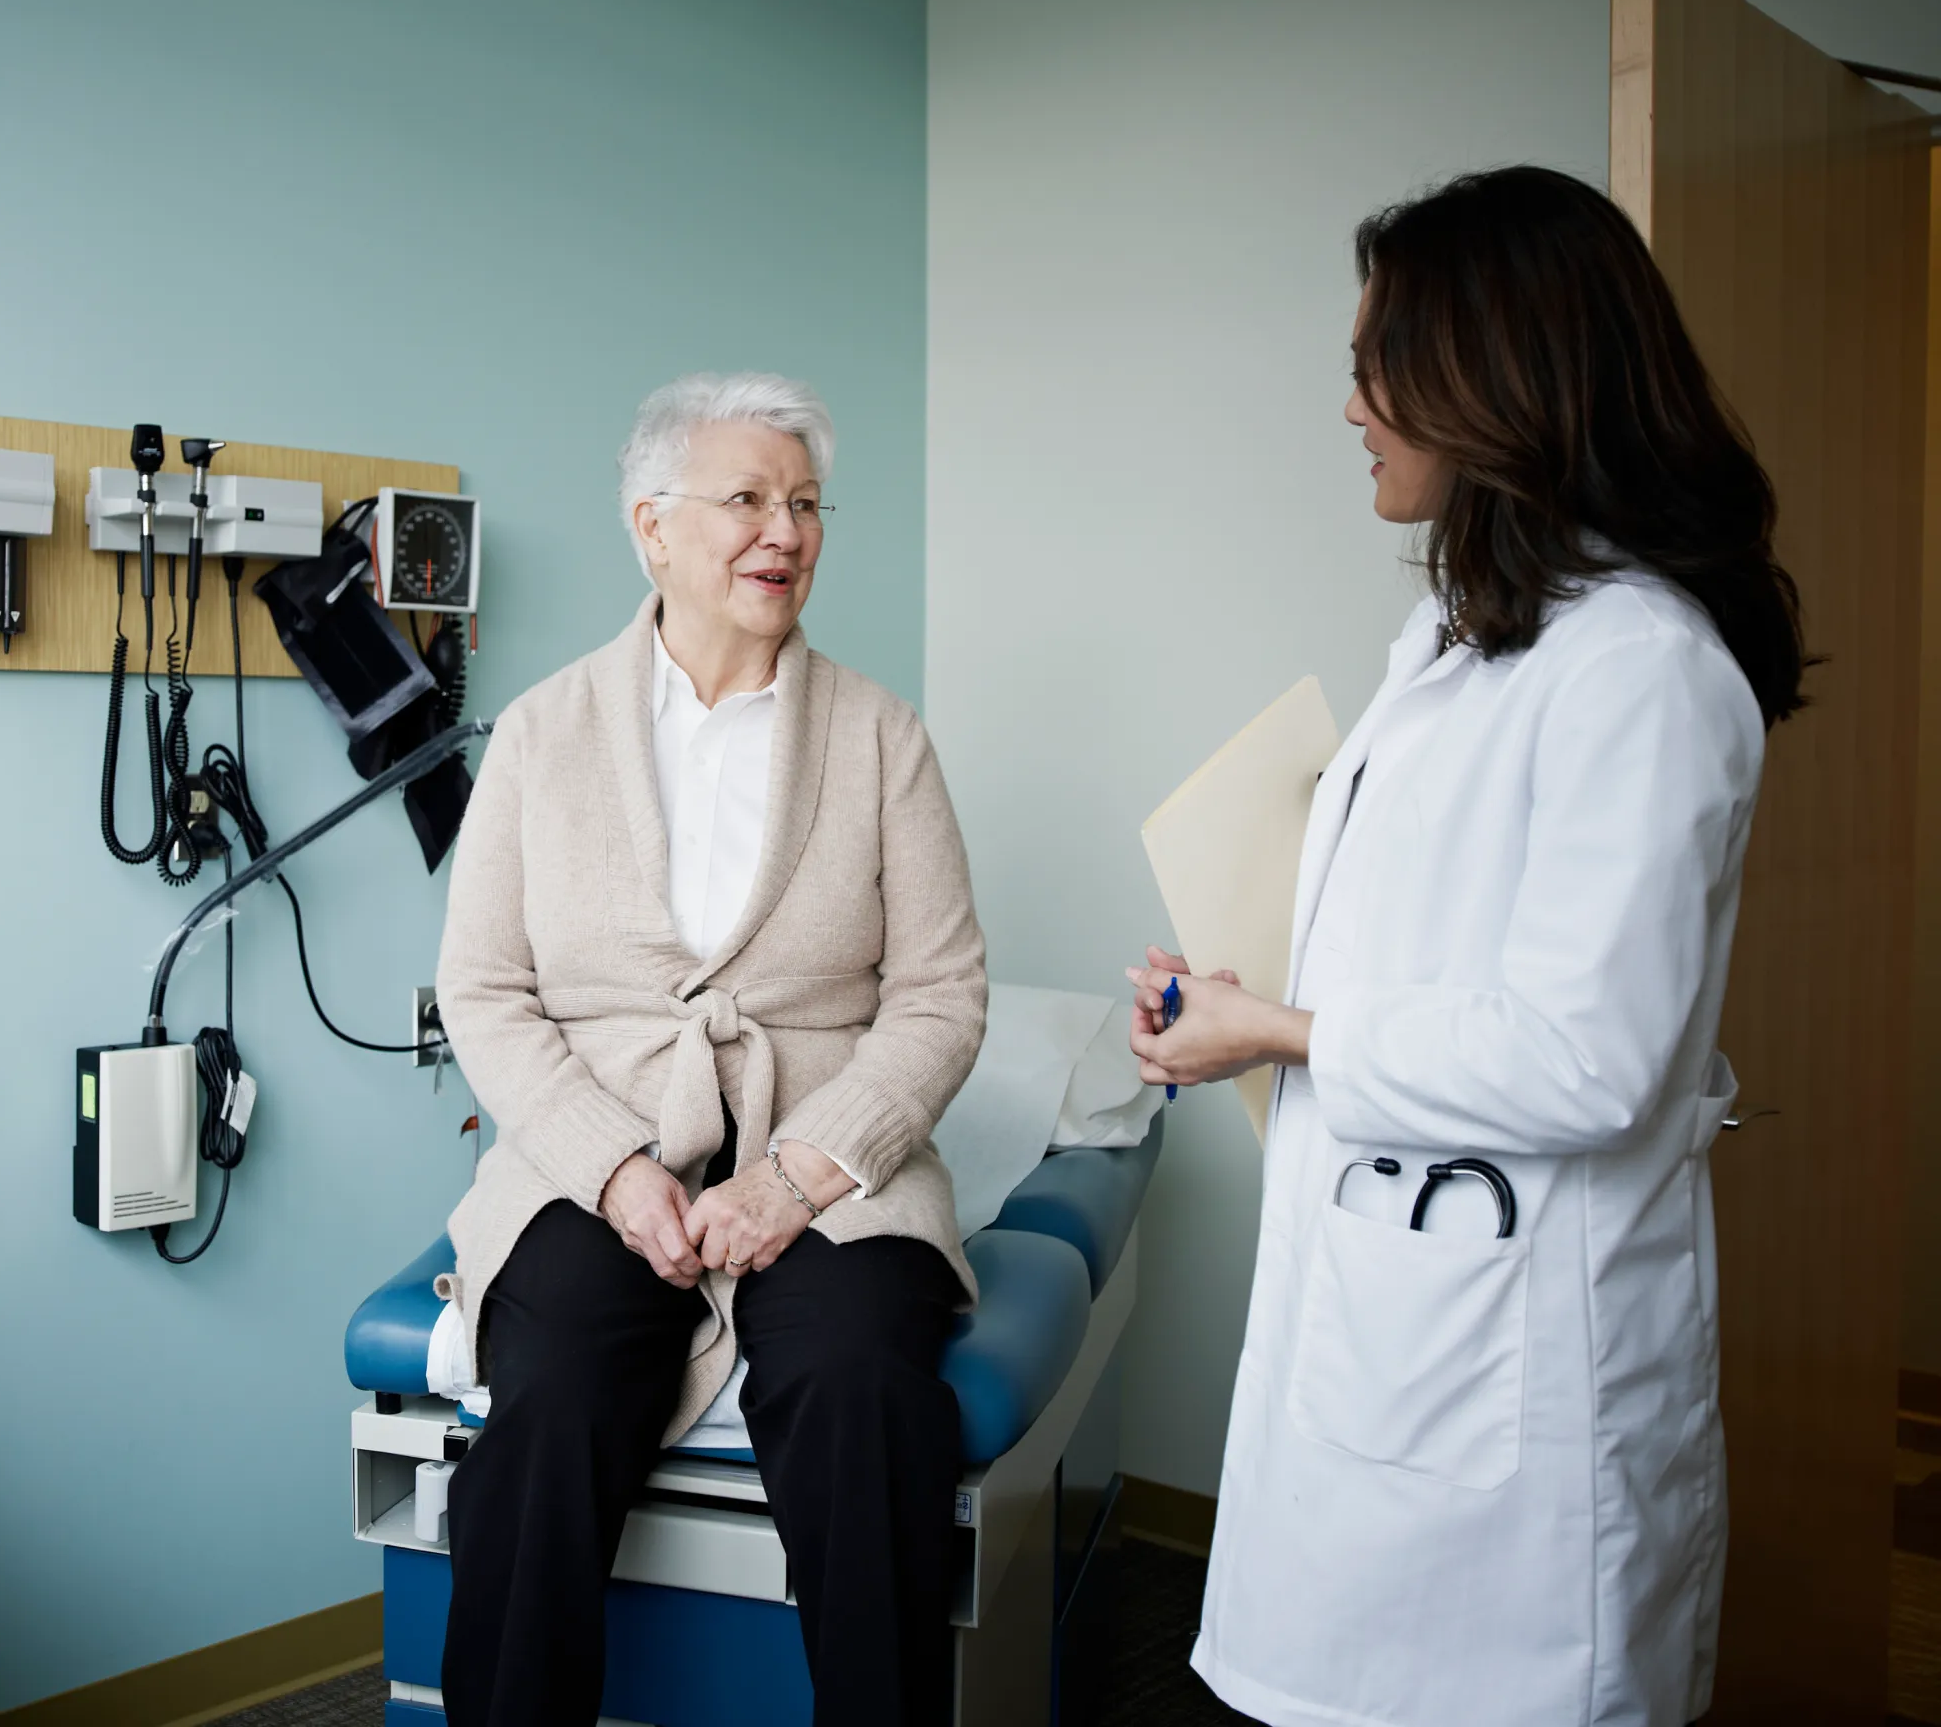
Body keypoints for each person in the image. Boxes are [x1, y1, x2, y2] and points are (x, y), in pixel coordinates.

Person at [1126, 166, 1804, 1727]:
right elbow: (1433, 953)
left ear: (1490, 379)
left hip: (1515, 1378)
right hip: (1390, 1295)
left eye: (1377, 364)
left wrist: (1282, 1033)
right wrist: (1243, 1002)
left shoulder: (1640, 668)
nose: (1351, 403)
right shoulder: (1462, 642)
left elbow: (1586, 1059)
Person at [434, 372, 989, 1726]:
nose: (782, 532)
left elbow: (939, 997)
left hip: (828, 1166)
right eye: (745, 498)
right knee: (551, 1398)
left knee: (863, 1390)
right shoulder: (543, 735)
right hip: (606, 1156)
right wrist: (617, 1175)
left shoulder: (880, 738)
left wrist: (799, 1178)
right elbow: (487, 994)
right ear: (654, 528)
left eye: (803, 504)